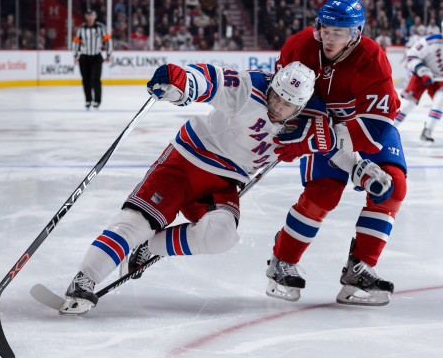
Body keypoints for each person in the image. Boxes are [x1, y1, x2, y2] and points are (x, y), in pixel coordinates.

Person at [59, 61, 394, 315]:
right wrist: (180, 83)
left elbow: (337, 148)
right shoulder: (249, 87)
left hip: (224, 182)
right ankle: (84, 280)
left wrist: (363, 169)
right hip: (186, 160)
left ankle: (152, 248)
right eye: (276, 96)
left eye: (287, 104)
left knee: (221, 235)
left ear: (302, 105)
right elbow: (209, 81)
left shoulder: (310, 123)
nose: (277, 106)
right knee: (136, 222)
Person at [270, 0, 408, 306]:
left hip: (363, 126)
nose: (328, 39)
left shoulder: (372, 58)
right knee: (324, 192)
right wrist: (302, 132)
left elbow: (377, 122)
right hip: (319, 122)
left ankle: (361, 267)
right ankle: (283, 259)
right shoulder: (299, 46)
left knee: (392, 186)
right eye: (325, 30)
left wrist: (352, 157)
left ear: (356, 33)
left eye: (338, 33)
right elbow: (283, 99)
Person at [394, 17, 443, 145]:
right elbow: (412, 56)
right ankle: (389, 129)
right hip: (420, 76)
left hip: (440, 79)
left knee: (441, 100)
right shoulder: (430, 41)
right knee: (407, 105)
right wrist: (422, 70)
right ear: (442, 30)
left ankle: (428, 130)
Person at [73, 9, 112, 110]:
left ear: (95, 16)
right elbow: (76, 42)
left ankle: (97, 100)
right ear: (86, 17)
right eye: (88, 15)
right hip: (84, 57)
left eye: (92, 15)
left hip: (96, 57)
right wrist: (75, 55)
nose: (90, 18)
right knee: (86, 80)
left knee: (95, 79)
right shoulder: (81, 28)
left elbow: (108, 41)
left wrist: (108, 54)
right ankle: (88, 100)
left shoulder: (101, 28)